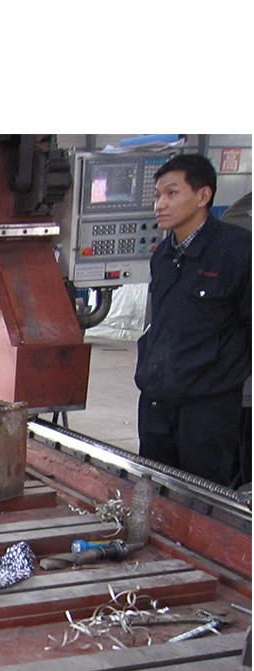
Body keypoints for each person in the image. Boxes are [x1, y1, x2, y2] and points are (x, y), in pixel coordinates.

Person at [134, 153, 251, 487]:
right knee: (155, 493)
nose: (160, 204)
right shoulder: (164, 255)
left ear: (203, 196)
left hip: (207, 412)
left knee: (202, 501)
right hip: (156, 404)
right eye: (158, 195)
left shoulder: (238, 252)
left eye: (172, 193)